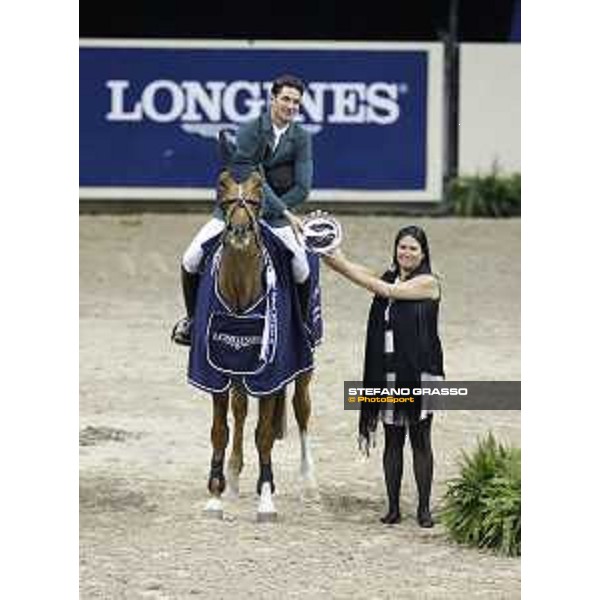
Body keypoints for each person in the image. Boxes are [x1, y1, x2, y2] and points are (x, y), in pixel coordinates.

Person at [175, 74, 313, 343]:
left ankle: (302, 327)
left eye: (296, 102)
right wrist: (285, 212)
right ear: (272, 99)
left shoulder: (302, 137)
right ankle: (191, 322)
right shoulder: (250, 130)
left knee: (301, 267)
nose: (291, 106)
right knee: (190, 258)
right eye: (285, 99)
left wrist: (279, 211)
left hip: (275, 216)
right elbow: (253, 178)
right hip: (238, 207)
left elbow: (303, 187)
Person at [322, 224, 444, 527]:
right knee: (392, 440)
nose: (406, 252)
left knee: (420, 440)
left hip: (421, 374)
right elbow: (343, 264)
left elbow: (387, 291)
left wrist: (354, 274)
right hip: (387, 373)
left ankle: (424, 510)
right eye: (402, 246)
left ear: (423, 253)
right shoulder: (387, 275)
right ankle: (392, 507)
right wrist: (321, 242)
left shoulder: (429, 282)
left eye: (413, 248)